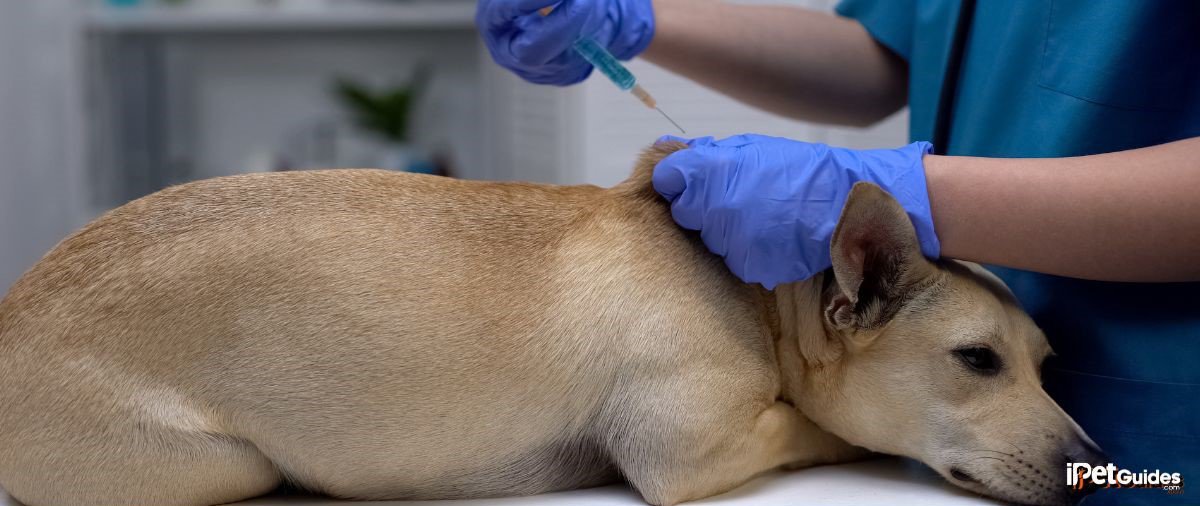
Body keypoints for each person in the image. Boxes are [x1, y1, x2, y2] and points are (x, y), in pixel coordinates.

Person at [476, 1, 1200, 504]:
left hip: (1165, 443)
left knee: (1119, 484)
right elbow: (881, 55)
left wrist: (915, 194)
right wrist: (637, 16)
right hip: (943, 377)